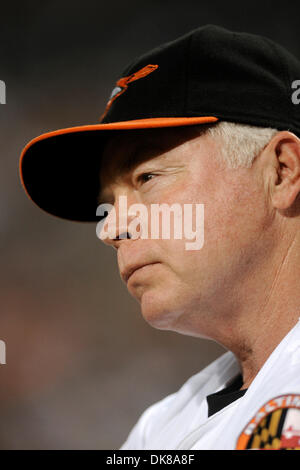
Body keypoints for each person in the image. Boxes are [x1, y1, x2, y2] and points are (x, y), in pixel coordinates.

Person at [19, 25, 300, 450]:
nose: (111, 229)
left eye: (147, 177)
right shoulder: (160, 427)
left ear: (281, 171)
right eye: (109, 202)